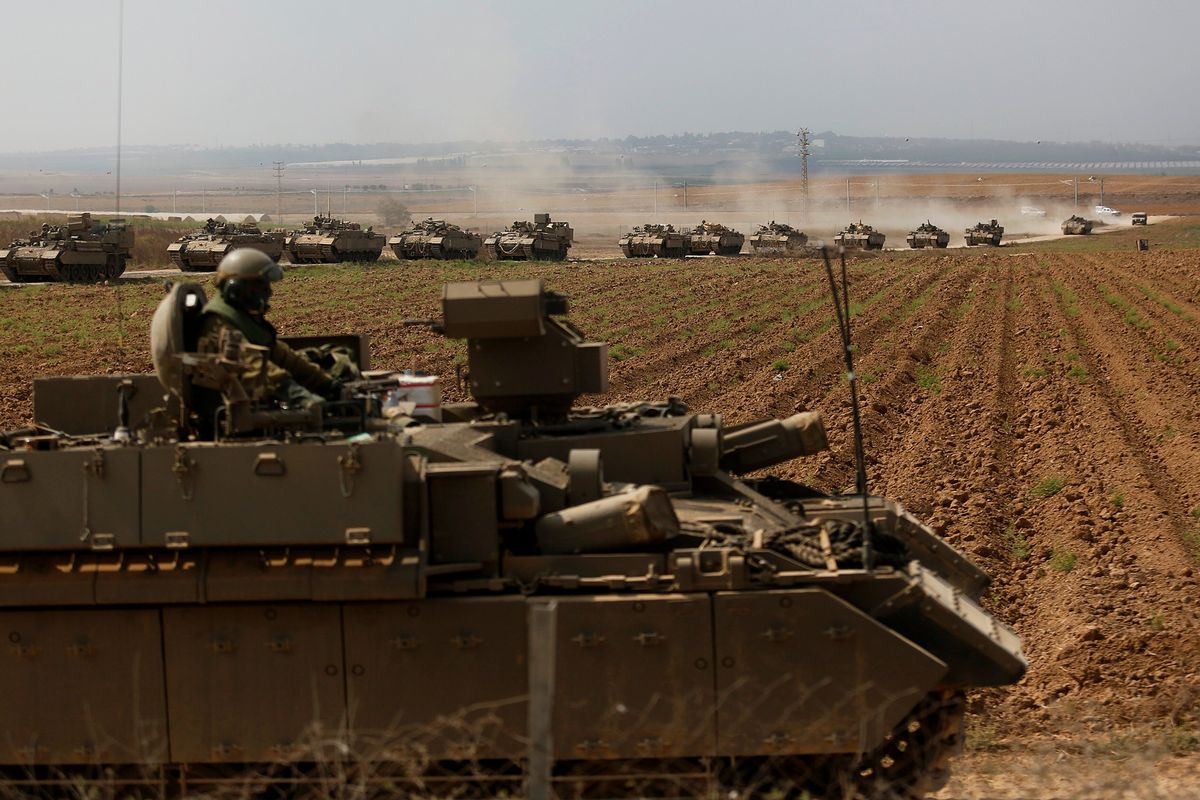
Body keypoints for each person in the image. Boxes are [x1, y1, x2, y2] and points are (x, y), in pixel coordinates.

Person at [197, 248, 339, 409]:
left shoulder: (242, 316)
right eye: (261, 286)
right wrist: (297, 394)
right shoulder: (217, 322)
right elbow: (252, 365)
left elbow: (282, 356)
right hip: (228, 410)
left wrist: (327, 384)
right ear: (235, 288)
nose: (269, 292)